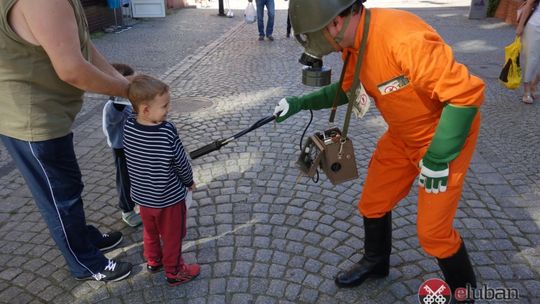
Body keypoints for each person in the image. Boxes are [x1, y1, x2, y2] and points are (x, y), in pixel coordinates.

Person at [273, 1, 484, 302]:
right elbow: (347, 91)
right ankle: (376, 262)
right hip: (401, 136)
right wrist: (298, 104)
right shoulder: (353, 44)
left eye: (318, 34)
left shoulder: (402, 38)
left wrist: (438, 158)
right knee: (373, 202)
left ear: (335, 23)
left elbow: (465, 97)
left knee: (433, 233)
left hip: (443, 137)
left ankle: (465, 294)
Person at [0, 0, 133, 281]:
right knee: (60, 198)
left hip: (46, 114)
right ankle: (85, 263)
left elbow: (83, 46)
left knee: (69, 186)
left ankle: (82, 238)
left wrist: (124, 83)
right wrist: (130, 90)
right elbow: (72, 69)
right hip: (33, 121)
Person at [123, 74, 200, 286]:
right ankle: (174, 271)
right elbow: (180, 162)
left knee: (150, 231)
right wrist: (188, 182)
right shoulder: (166, 131)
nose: (169, 110)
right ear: (146, 109)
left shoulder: (129, 126)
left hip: (143, 198)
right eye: (165, 106)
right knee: (172, 237)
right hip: (169, 200)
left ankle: (153, 261)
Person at [102, 63, 143, 227]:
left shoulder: (127, 101)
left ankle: (142, 199)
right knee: (125, 180)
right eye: (127, 85)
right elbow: (114, 115)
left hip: (134, 147)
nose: (131, 88)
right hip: (121, 150)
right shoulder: (113, 106)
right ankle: (127, 211)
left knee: (138, 177)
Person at [516, 0, 540, 104]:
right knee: (532, 58)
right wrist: (520, 26)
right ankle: (527, 91)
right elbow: (530, 3)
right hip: (535, 25)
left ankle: (534, 85)